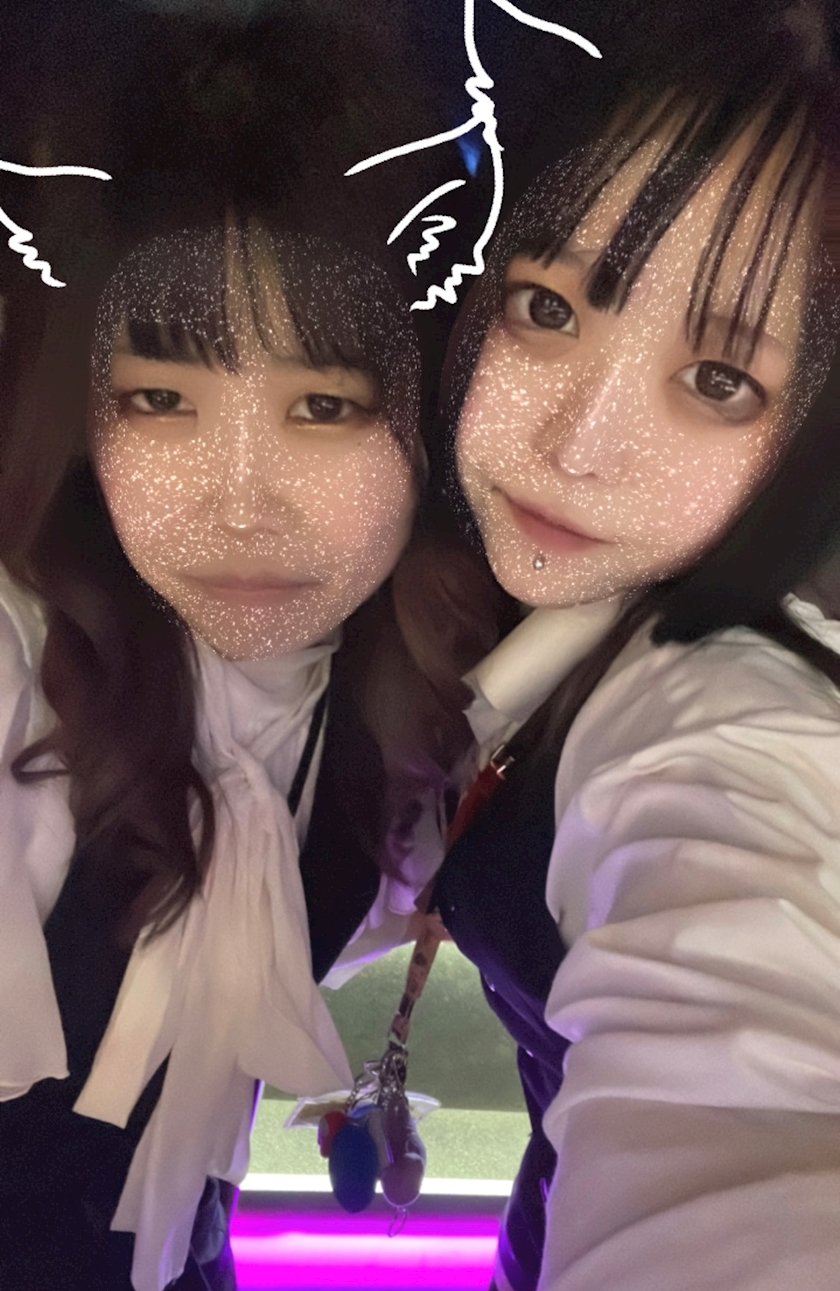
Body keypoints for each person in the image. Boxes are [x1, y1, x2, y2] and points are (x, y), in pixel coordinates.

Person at [394, 3, 840, 1287]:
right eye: (546, 306)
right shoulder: (550, 611)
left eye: (719, 381)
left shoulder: (731, 715)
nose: (579, 447)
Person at [0, 209, 428, 1291]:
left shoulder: (368, 695)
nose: (240, 506)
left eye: (322, 405)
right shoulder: (24, 651)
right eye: (161, 400)